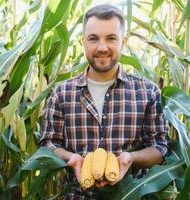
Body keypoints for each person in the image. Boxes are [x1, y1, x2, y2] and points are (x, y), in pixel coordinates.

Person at [40, 4, 168, 200]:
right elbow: (48, 144)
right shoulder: (61, 93)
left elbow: (159, 147)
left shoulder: (148, 92)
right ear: (83, 42)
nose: (102, 47)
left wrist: (130, 159)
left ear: (123, 42)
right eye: (93, 38)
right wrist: (71, 159)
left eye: (111, 38)